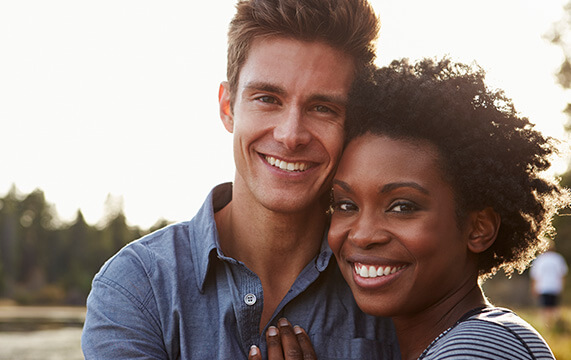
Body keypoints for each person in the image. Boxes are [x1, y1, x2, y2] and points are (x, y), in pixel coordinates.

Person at [81, 0, 399, 359]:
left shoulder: (387, 279)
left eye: (322, 108)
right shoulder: (137, 286)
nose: (291, 134)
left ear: (352, 124)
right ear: (228, 106)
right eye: (267, 98)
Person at [250, 58, 570, 360]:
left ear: (479, 227)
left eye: (402, 206)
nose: (362, 235)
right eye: (345, 204)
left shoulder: (476, 349)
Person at [531, 240, 568, 327]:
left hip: (543, 287)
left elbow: (535, 276)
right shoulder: (558, 258)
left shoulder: (539, 260)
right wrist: (562, 287)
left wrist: (534, 288)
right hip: (555, 287)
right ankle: (555, 326)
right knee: (554, 308)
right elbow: (562, 274)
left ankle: (547, 326)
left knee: (545, 309)